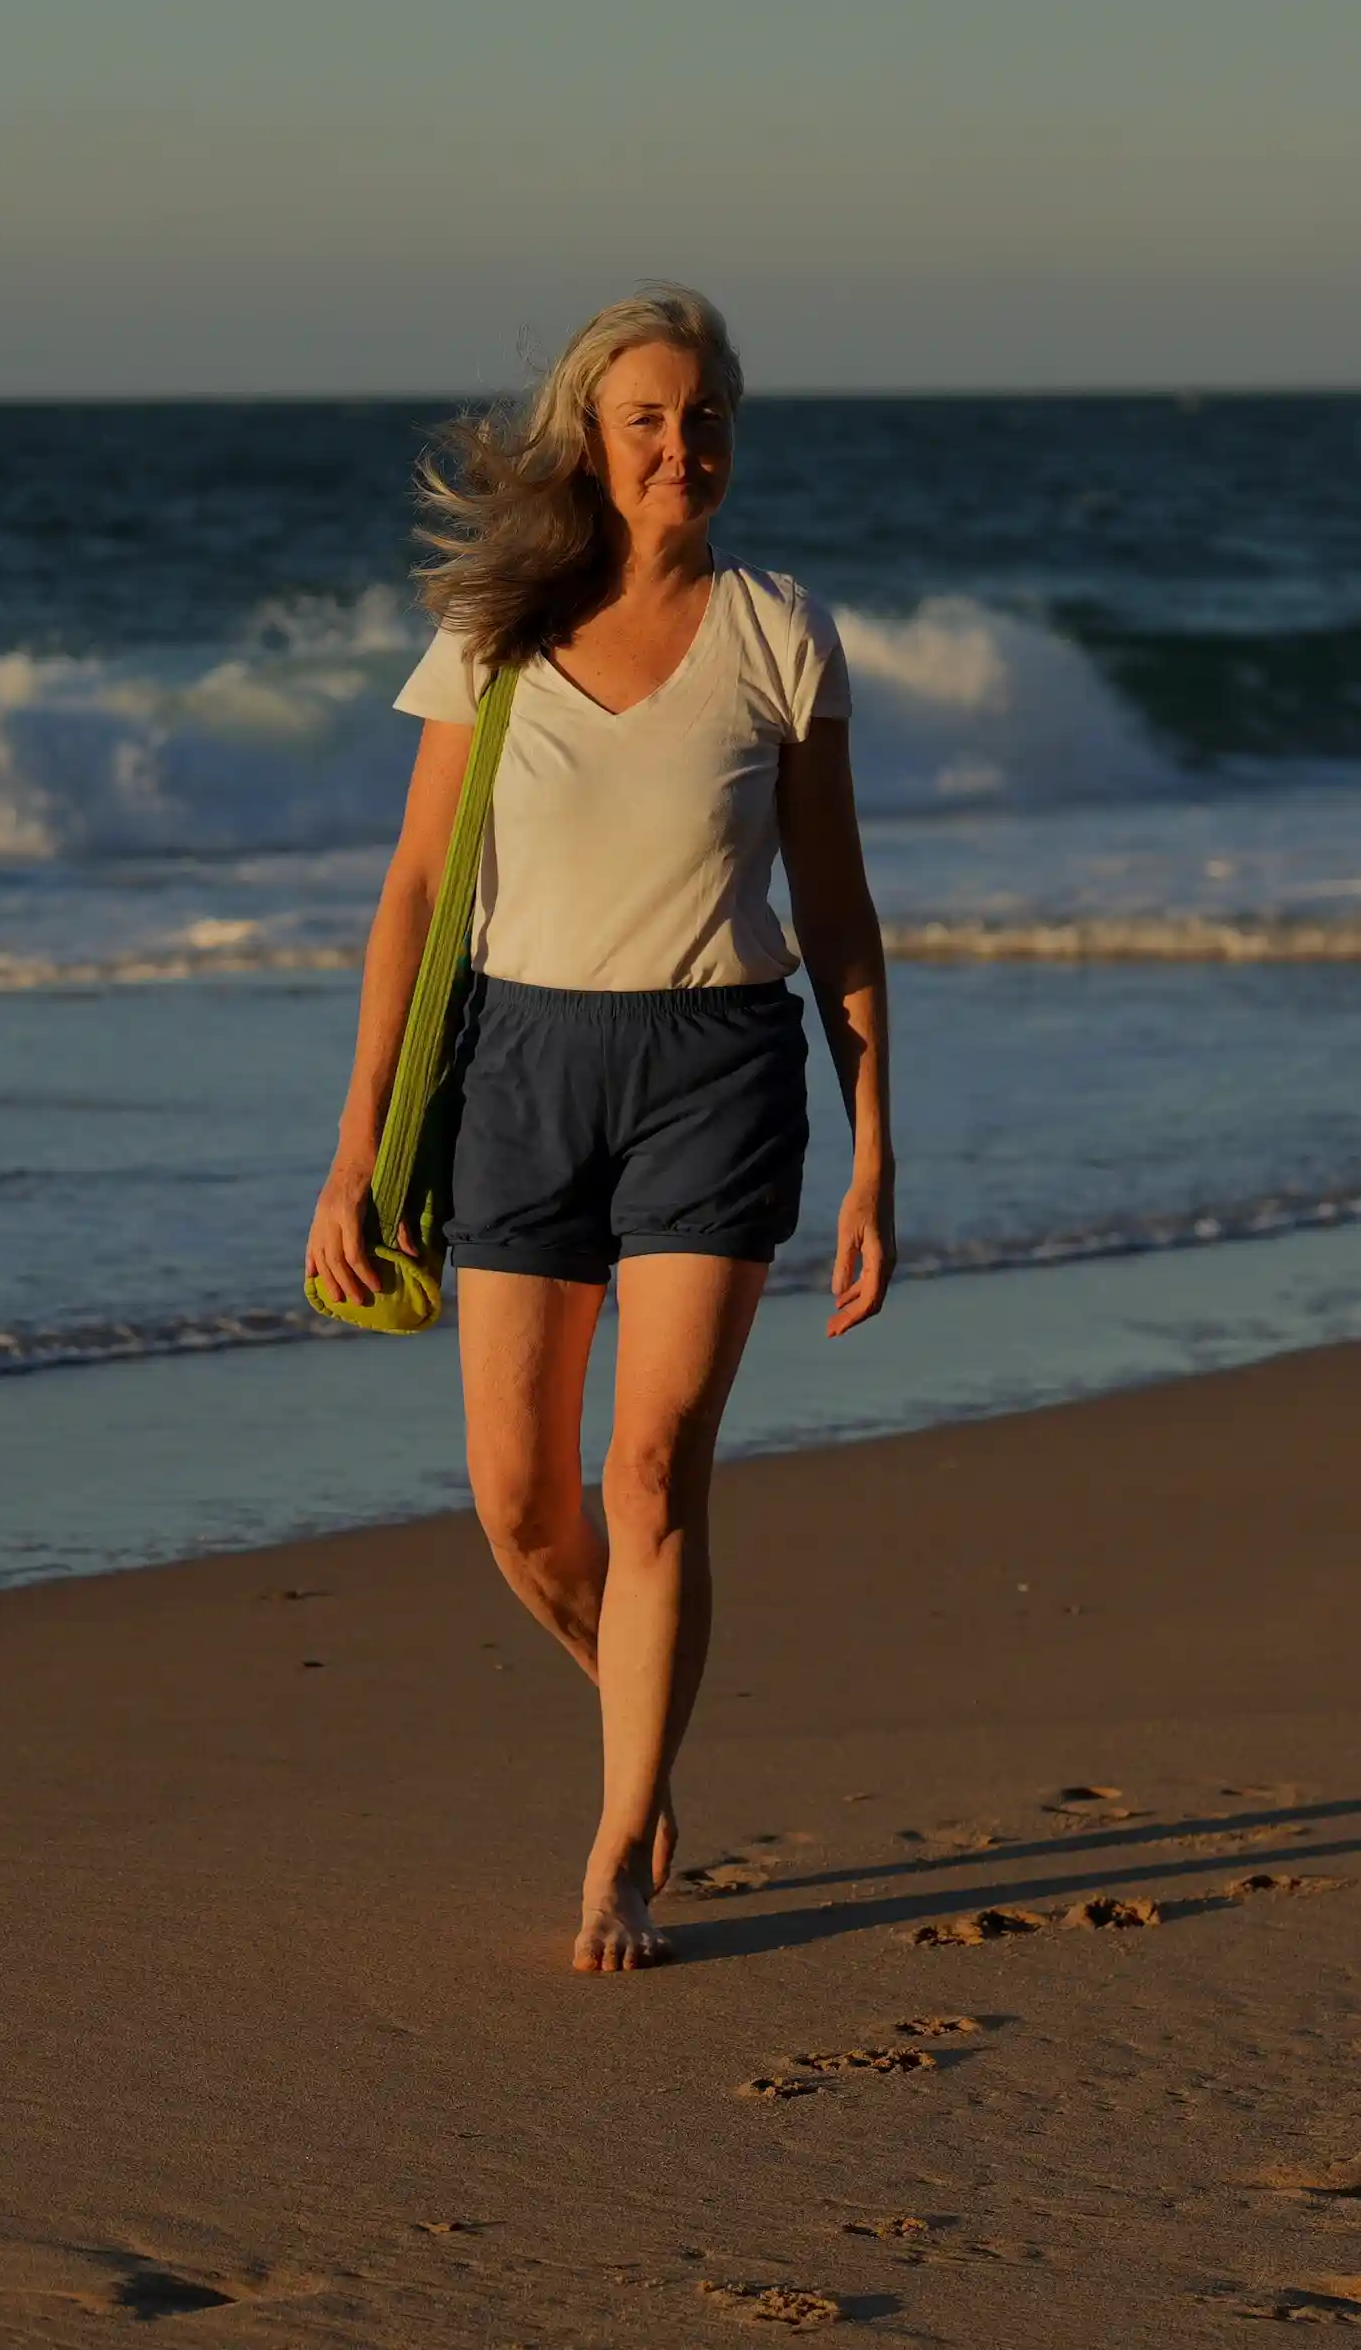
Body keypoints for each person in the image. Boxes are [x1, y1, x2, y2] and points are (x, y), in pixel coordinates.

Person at [306, 284, 897, 1973]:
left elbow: (840, 912)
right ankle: (644, 1696)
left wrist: (873, 1146)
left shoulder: (782, 632)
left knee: (648, 1480)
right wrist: (355, 1150)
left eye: (703, 416)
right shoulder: (491, 634)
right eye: (645, 417)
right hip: (518, 1068)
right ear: (589, 434)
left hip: (717, 1065)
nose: (678, 445)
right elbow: (414, 896)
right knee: (516, 1500)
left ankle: (623, 1835)